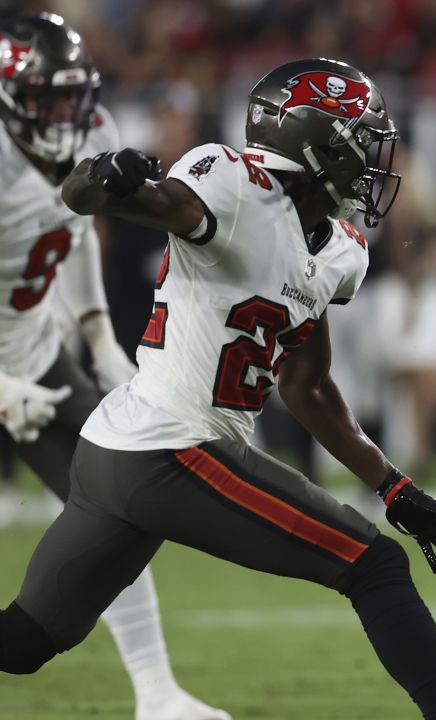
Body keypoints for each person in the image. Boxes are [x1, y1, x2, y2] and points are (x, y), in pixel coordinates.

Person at [0, 57, 436, 720]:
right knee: (373, 565)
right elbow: (119, 199)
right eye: (361, 143)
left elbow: (307, 387)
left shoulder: (342, 250)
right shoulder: (233, 185)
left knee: (22, 643)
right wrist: (99, 176)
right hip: (172, 447)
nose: (373, 161)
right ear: (319, 145)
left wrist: (392, 485)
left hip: (120, 449)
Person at [0, 14, 229, 720]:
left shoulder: (94, 132)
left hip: (33, 355)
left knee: (118, 511)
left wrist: (97, 337)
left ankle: (157, 695)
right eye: (47, 100)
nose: (65, 116)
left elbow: (74, 238)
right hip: (10, 371)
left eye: (71, 98)